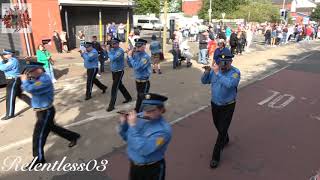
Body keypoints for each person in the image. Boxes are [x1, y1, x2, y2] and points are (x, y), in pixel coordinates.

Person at [21, 62, 80, 168]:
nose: (29, 74)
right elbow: (28, 86)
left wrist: (24, 81)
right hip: (41, 111)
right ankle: (73, 136)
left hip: (46, 112)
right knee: (52, 128)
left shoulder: (44, 80)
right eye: (28, 73)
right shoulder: (37, 79)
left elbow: (31, 89)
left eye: (31, 72)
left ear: (39, 70)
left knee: (38, 136)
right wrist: (26, 81)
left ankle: (39, 158)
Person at [201, 48, 241, 169]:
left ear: (231, 61)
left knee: (222, 130)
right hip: (215, 103)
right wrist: (207, 72)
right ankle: (226, 137)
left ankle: (215, 157)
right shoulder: (215, 69)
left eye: (226, 63)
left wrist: (218, 73)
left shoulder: (235, 72)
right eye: (221, 62)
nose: (223, 65)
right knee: (218, 125)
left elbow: (230, 85)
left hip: (228, 105)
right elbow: (204, 81)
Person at [118, 93, 172, 180]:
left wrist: (132, 126)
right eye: (145, 109)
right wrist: (124, 124)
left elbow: (144, 150)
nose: (146, 113)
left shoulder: (163, 132)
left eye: (151, 110)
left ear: (161, 110)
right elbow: (127, 138)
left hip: (152, 169)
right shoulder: (140, 117)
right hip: (135, 166)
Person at [0, 50, 31, 120]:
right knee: (19, 94)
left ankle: (10, 114)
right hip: (12, 80)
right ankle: (33, 103)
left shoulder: (12, 61)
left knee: (10, 97)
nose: (4, 55)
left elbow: (2, 68)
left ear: (10, 54)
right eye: (3, 54)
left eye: (5, 54)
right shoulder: (10, 60)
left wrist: (0, 61)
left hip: (13, 80)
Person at [106, 38, 132, 112]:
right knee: (120, 85)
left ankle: (111, 106)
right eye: (112, 44)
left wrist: (108, 51)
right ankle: (128, 97)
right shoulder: (112, 50)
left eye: (115, 43)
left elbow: (113, 58)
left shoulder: (120, 51)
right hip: (114, 71)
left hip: (119, 71)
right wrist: (105, 49)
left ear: (118, 43)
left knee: (114, 88)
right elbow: (107, 57)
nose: (113, 45)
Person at [127, 38, 152, 112]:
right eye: (136, 46)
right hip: (137, 80)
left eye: (139, 46)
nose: (137, 48)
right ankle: (143, 107)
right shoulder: (136, 54)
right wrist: (129, 56)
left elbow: (137, 67)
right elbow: (131, 65)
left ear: (144, 46)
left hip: (144, 81)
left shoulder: (145, 57)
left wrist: (130, 57)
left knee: (141, 97)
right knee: (140, 96)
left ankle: (137, 110)